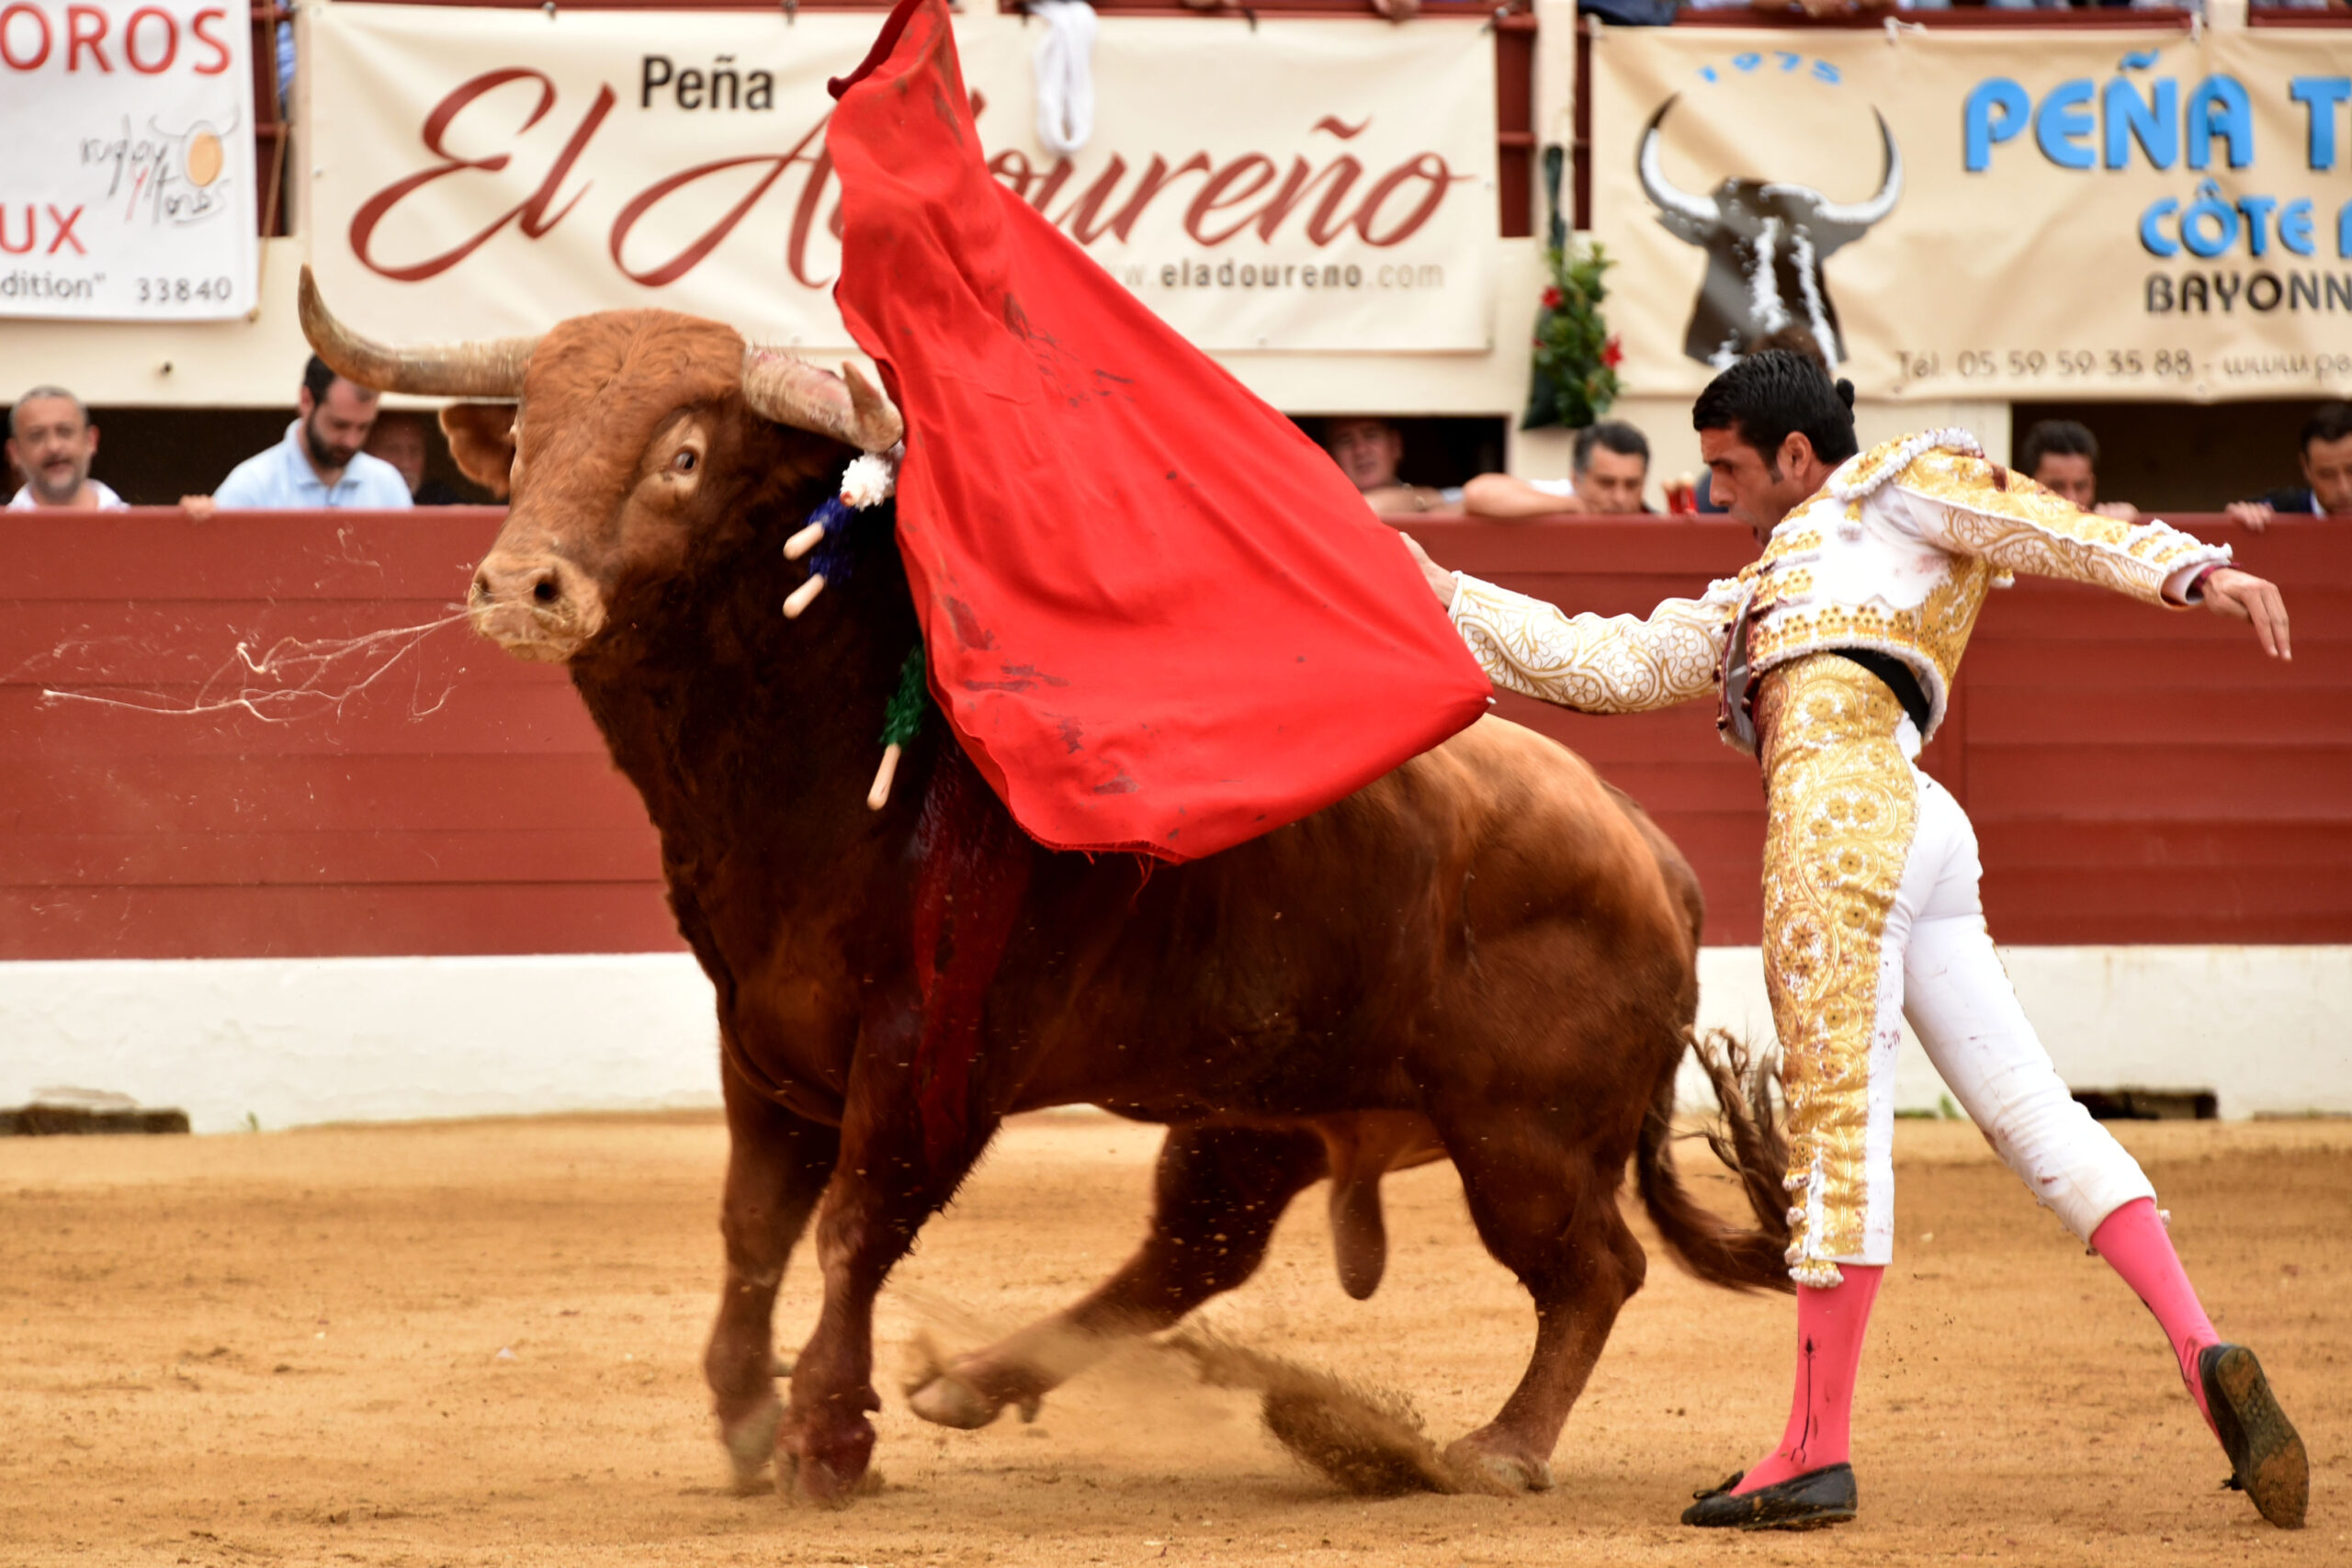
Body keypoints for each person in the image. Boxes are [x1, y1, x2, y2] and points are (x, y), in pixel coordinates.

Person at [1400, 351, 2304, 1533]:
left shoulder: (1894, 479)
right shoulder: (1754, 592)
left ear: (1790, 452)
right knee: (2034, 1114)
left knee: (1833, 1121)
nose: (1715, 495)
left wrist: (2191, 569)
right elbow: (1599, 660)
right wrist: (1436, 589)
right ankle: (2200, 1347)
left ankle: (1812, 1450)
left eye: (1726, 469)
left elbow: (2036, 520)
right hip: (1917, 810)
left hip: (1841, 806)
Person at [185, 355, 413, 515]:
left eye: (363, 428)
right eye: (339, 425)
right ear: (306, 401)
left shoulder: (387, 484)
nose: (351, 441)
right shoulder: (252, 485)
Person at [1462, 421, 1652, 518]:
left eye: (1632, 485)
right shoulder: (1562, 496)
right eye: (1606, 483)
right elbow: (1478, 493)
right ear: (1576, 478)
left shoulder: (1652, 517)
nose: (1620, 498)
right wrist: (1572, 505)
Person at [2228, 401, 2352, 528]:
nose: (2344, 489)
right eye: (2327, 475)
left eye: (2351, 471)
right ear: (2306, 468)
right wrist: (2245, 518)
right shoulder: (2279, 510)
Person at [6, 386, 127, 510]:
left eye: (65, 432)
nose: (54, 447)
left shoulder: (137, 526)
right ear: (15, 452)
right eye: (37, 436)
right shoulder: (4, 528)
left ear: (90, 441)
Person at [1320, 415, 1459, 517]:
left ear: (1395, 445)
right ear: (1330, 457)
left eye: (1371, 436)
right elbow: (1364, 508)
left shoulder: (1448, 498)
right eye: (1345, 441)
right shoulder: (1321, 510)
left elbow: (1474, 494)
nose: (1360, 450)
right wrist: (1425, 499)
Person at [2018, 418, 2138, 519]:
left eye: (2081, 486)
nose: (2071, 499)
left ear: (2092, 484)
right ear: (2027, 485)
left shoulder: (2110, 525)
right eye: (2056, 486)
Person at [364, 411, 466, 504]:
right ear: (367, 452)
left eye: (415, 451)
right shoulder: (355, 497)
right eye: (392, 451)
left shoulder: (440, 500)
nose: (405, 464)